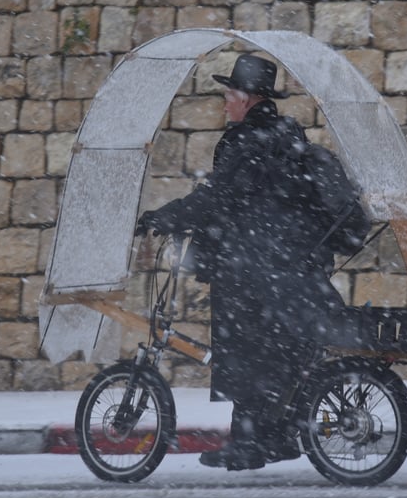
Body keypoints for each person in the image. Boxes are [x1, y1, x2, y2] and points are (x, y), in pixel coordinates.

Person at [136, 54, 345, 471]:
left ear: (248, 97)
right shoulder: (283, 134)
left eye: (229, 94)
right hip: (284, 262)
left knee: (247, 353)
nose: (225, 103)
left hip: (256, 264)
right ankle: (273, 438)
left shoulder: (248, 141)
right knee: (270, 353)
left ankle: (250, 444)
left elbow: (218, 198)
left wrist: (164, 218)